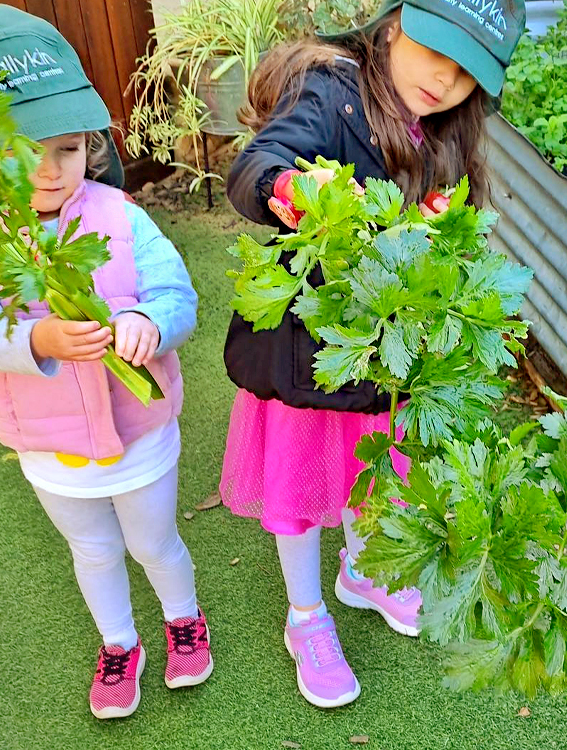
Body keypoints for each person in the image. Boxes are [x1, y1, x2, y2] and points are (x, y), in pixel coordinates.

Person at [219, 0, 526, 708]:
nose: (445, 78)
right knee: (297, 490)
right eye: (434, 50)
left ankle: (361, 571)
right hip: (306, 347)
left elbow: (431, 220)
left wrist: (432, 226)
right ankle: (305, 618)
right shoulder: (329, 89)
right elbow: (255, 165)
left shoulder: (445, 129)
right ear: (392, 25)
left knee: (370, 468)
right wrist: (291, 190)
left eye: (467, 71)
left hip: (384, 350)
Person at [0, 5, 209, 720]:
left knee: (154, 541)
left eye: (66, 149)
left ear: (88, 147)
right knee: (92, 550)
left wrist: (145, 321)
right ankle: (119, 641)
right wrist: (36, 342)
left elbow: (176, 294)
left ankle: (184, 617)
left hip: (141, 430)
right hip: (49, 443)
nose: (48, 169)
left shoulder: (122, 215)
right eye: (24, 149)